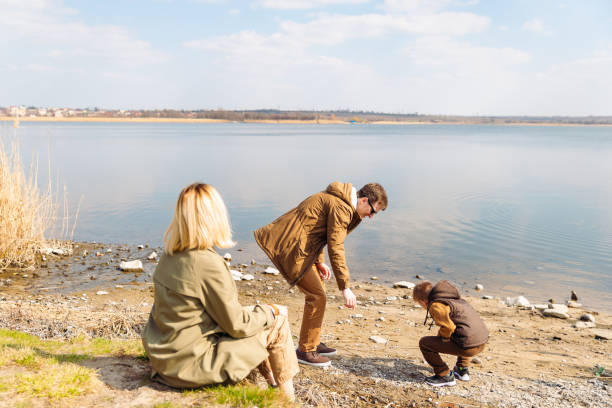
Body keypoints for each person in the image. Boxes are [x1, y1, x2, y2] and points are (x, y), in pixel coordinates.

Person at [142, 183, 299, 400]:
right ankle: (287, 400)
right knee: (277, 320)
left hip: (165, 358)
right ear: (214, 217)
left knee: (259, 316)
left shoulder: (169, 256)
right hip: (191, 366)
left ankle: (271, 383)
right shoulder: (207, 263)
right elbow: (237, 325)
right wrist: (270, 311)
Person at [254, 182, 388, 367]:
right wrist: (345, 287)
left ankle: (312, 342)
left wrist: (319, 262)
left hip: (300, 245)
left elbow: (316, 230)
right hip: (291, 247)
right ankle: (305, 351)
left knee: (318, 291)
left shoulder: (339, 201)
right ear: (364, 200)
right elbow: (336, 245)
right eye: (373, 211)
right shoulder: (341, 207)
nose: (371, 216)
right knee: (317, 295)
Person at [412, 280, 489, 387]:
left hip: (468, 346)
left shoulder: (436, 305)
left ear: (422, 302)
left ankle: (444, 375)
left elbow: (448, 327)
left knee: (425, 343)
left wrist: (440, 340)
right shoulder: (454, 300)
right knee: (461, 334)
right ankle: (462, 370)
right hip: (481, 341)